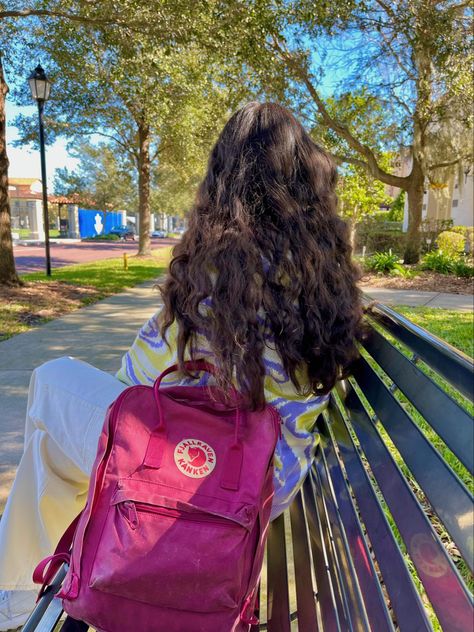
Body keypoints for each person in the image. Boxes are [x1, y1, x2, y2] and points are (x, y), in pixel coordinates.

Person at [0, 102, 362, 631]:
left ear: (223, 180)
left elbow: (135, 385)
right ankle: (21, 593)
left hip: (209, 477)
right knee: (51, 447)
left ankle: (19, 597)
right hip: (271, 476)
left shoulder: (221, 269)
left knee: (52, 379)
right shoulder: (326, 276)